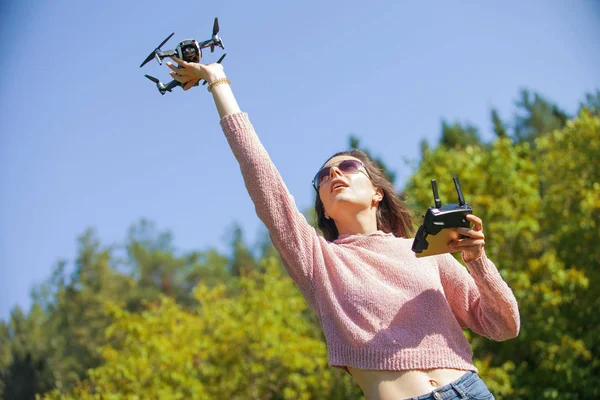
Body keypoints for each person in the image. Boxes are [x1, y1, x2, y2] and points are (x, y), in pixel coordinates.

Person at [165, 56, 520, 400]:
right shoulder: (319, 261)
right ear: (324, 211)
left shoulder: (424, 252)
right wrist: (217, 81)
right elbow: (261, 176)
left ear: (377, 193)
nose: (334, 174)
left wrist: (477, 262)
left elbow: (502, 326)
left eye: (348, 166)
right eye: (323, 176)